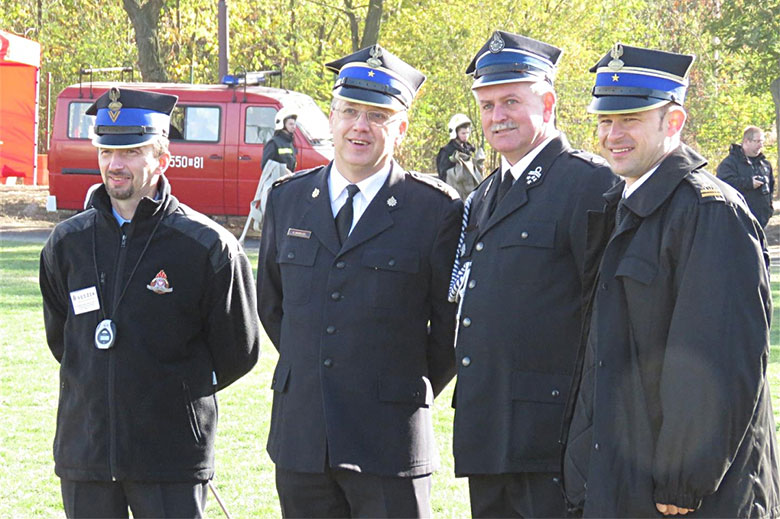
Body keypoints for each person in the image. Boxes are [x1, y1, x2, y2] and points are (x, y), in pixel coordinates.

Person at [561, 43, 780, 517]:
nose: (612, 134)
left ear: (674, 123)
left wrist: (683, 480)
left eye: (631, 120)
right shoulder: (626, 203)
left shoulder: (708, 210)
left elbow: (719, 356)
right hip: (631, 475)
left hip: (691, 498)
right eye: (604, 120)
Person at [257, 45, 462, 518]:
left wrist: (396, 383)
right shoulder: (288, 200)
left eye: (378, 115)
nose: (359, 126)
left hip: (389, 440)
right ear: (329, 119)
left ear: (401, 128)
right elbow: (274, 306)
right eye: (349, 111)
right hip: (303, 438)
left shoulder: (434, 210)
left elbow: (450, 328)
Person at [39, 87, 260, 518]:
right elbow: (64, 340)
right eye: (106, 151)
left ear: (162, 158)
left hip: (171, 458)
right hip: (86, 454)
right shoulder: (68, 243)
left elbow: (238, 351)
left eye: (133, 151)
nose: (115, 164)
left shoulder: (207, 247)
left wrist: (172, 393)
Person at [447, 31, 618, 518]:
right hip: (490, 431)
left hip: (553, 438)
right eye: (486, 105)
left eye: (510, 102)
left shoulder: (588, 184)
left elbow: (605, 316)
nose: (496, 116)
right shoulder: (486, 193)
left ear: (547, 102)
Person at [717, 125, 774, 228]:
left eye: (762, 142)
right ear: (746, 141)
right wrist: (749, 183)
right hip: (738, 220)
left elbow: (771, 188)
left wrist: (769, 209)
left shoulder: (765, 164)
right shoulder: (729, 163)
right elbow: (723, 186)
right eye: (757, 141)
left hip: (762, 219)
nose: (761, 145)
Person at [261, 106, 298, 173]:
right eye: (291, 124)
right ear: (282, 125)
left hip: (288, 181)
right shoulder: (273, 143)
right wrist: (284, 170)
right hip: (277, 181)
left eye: (294, 124)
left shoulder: (289, 143)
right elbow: (266, 166)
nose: (294, 127)